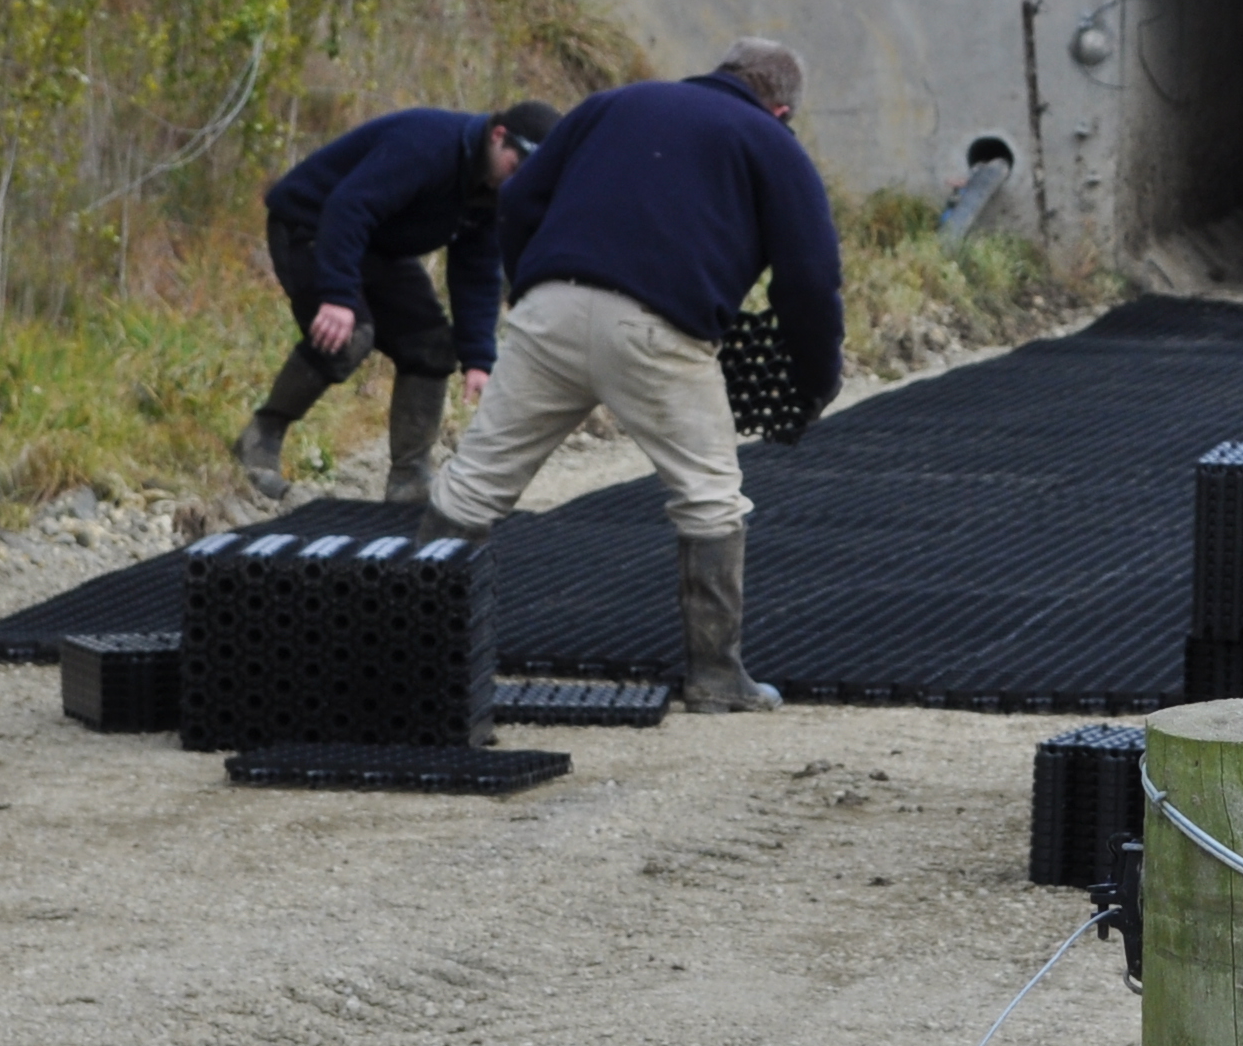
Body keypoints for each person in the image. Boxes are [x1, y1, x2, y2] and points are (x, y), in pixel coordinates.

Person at [418, 38, 844, 713]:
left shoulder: (615, 103)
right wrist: (816, 381)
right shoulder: (771, 144)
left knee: (471, 488)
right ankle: (715, 678)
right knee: (708, 497)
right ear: (782, 108)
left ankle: (418, 661)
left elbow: (521, 197)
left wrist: (530, 285)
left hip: (548, 311)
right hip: (658, 330)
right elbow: (811, 280)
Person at [234, 99, 559, 506]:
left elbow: (476, 271)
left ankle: (410, 478)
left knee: (432, 347)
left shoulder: (491, 190)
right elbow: (349, 207)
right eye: (516, 169)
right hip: (312, 224)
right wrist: (337, 295)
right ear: (498, 137)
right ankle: (259, 441)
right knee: (348, 338)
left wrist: (478, 358)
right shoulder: (429, 146)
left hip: (377, 246)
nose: (515, 183)